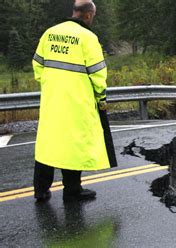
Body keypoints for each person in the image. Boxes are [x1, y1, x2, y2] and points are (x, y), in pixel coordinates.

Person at [32, 0, 117, 202]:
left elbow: (37, 65)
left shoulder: (50, 33)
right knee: (73, 144)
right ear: (88, 15)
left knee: (48, 143)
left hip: (52, 100)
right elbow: (98, 74)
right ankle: (72, 190)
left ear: (74, 12)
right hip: (77, 102)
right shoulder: (88, 38)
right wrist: (101, 98)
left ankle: (41, 190)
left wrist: (52, 85)